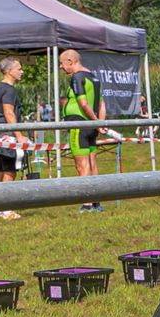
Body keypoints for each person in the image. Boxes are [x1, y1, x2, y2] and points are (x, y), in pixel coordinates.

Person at [58, 49, 105, 213]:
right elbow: (101, 103)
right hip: (91, 126)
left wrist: (96, 122)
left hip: (79, 125)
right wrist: (100, 123)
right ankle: (96, 201)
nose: (61, 67)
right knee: (92, 163)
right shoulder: (93, 77)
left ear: (71, 61)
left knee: (81, 165)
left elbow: (83, 103)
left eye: (62, 63)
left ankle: (87, 204)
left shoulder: (77, 77)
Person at [0, 57, 24, 219]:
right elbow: (9, 112)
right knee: (10, 171)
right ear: (9, 71)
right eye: (19, 69)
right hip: (8, 134)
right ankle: (7, 209)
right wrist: (19, 135)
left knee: (1, 171)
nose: (22, 71)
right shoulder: (9, 90)